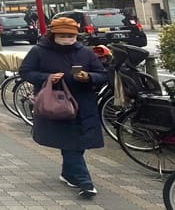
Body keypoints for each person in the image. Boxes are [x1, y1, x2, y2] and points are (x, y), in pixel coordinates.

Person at [18, 17, 108, 199]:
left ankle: (68, 174)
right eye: (63, 35)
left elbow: (103, 74)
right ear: (53, 35)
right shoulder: (39, 51)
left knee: (77, 144)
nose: (67, 39)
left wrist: (88, 77)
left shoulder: (86, 53)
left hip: (83, 104)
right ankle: (85, 182)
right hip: (56, 104)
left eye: (71, 35)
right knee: (70, 144)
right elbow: (25, 71)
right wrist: (47, 77)